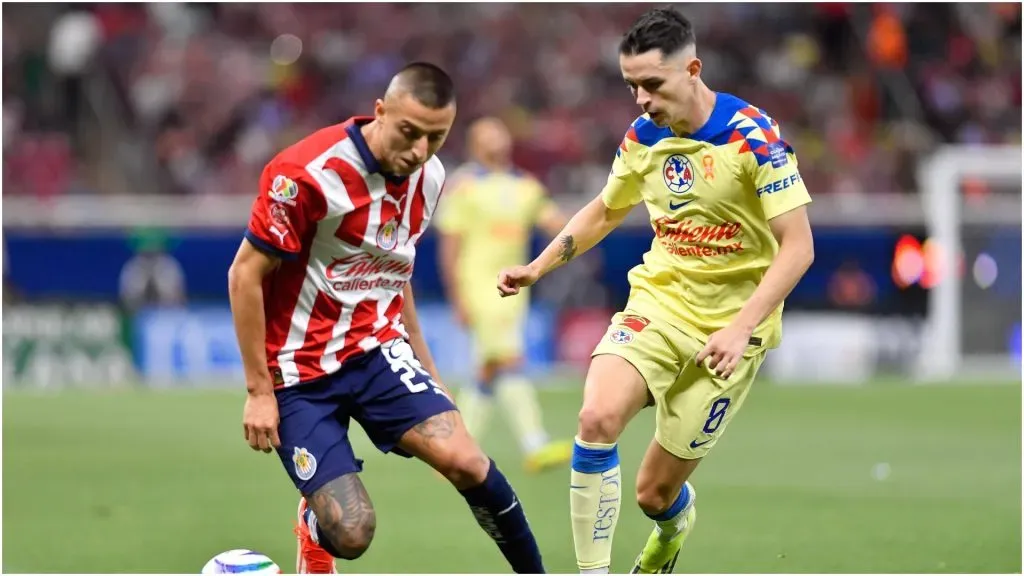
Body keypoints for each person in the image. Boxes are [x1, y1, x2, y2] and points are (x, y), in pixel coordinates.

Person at [497, 8, 815, 574]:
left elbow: (798, 247)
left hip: (730, 334)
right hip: (657, 307)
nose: (640, 99)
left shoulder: (752, 138)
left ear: (692, 69)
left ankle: (674, 528)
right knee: (595, 418)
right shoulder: (644, 136)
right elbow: (605, 210)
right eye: (631, 86)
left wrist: (741, 328)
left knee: (654, 496)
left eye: (651, 84)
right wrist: (537, 268)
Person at [228, 62, 545, 575]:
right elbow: (244, 275)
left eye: (436, 138)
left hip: (376, 350)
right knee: (351, 533)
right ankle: (314, 528)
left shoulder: (433, 177)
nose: (420, 150)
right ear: (380, 111)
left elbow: (395, 274)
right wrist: (259, 391)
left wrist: (434, 380)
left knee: (468, 462)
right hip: (298, 372)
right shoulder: (306, 174)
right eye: (410, 132)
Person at [435, 116, 573, 473]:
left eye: (500, 133)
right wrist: (456, 297)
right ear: (474, 144)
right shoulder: (464, 186)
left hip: (515, 288)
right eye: (487, 135)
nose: (496, 140)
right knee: (509, 361)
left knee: (488, 369)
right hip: (480, 286)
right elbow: (449, 245)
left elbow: (558, 224)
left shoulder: (526, 186)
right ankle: (535, 443)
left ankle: (453, 447)